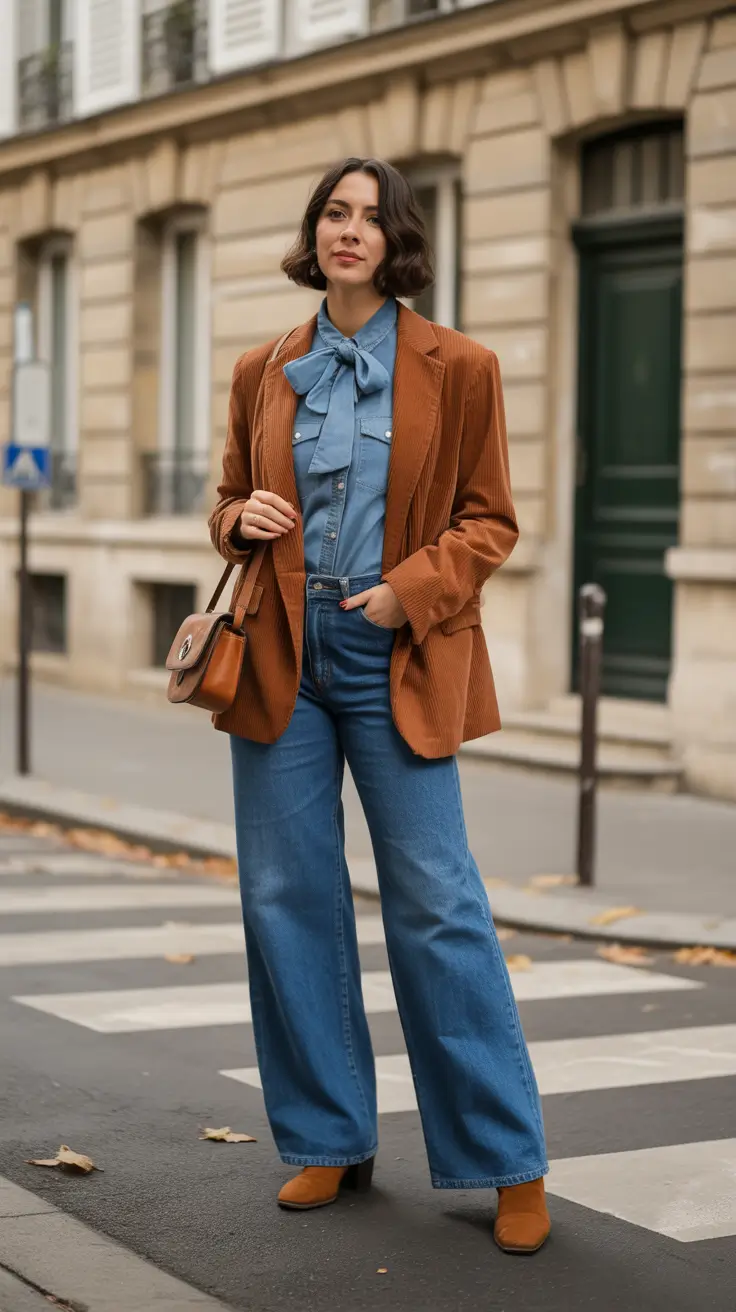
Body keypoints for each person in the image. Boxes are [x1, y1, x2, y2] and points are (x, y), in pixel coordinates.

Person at [209, 157, 550, 1254]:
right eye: (332, 213)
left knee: (436, 902)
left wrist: (409, 590)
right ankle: (325, 1137)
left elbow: (490, 521)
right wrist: (240, 520)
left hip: (393, 648)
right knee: (285, 897)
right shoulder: (266, 367)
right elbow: (226, 501)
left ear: (395, 240)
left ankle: (504, 1158)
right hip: (279, 649)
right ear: (314, 235)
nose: (348, 230)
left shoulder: (461, 366)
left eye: (368, 216)